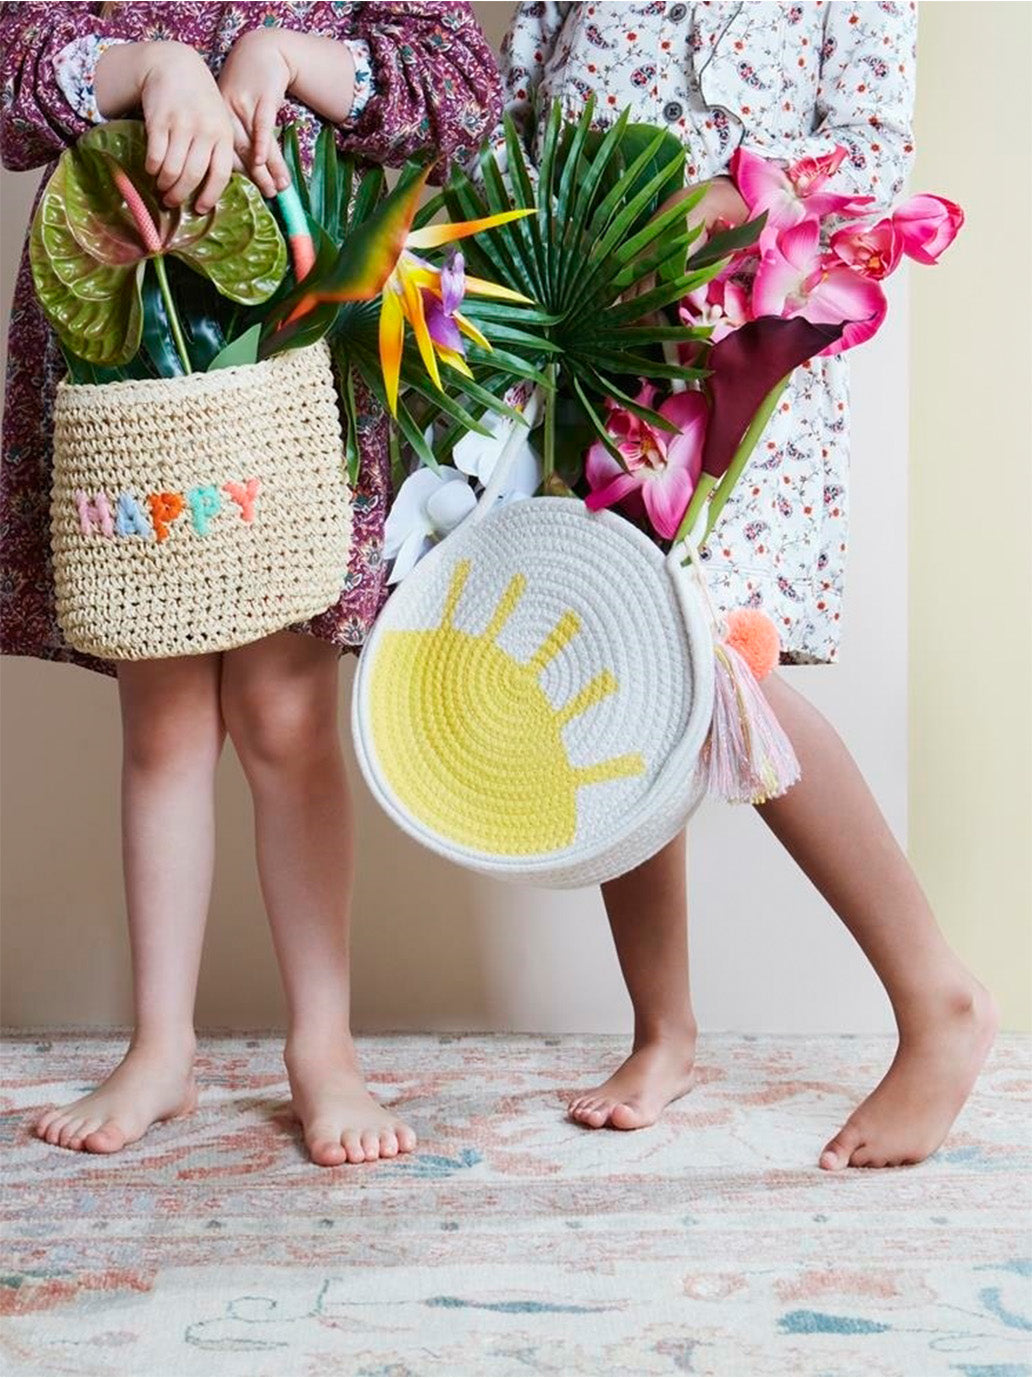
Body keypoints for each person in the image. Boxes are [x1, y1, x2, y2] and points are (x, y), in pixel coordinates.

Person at [0, 1, 501, 1165]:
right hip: (128, 336)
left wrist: (284, 59)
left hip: (298, 328)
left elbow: (459, 90)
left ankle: (321, 1047)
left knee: (286, 717)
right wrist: (150, 67)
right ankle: (160, 1044)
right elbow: (17, 69)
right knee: (164, 717)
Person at [499, 0, 997, 1168]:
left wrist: (721, 207)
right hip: (588, 338)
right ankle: (664, 1029)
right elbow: (522, 107)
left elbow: (870, 149)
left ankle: (939, 998)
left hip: (746, 341)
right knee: (623, 662)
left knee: (724, 659)